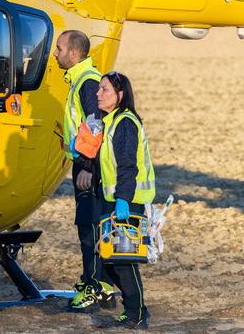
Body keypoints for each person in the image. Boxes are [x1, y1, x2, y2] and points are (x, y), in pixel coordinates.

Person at [53, 30, 115, 311]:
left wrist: (87, 166)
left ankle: (93, 287)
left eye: (60, 49)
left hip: (90, 167)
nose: (56, 54)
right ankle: (98, 283)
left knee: (89, 228)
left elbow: (95, 124)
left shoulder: (87, 82)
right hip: (86, 164)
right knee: (91, 226)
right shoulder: (82, 79)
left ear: (74, 54)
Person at [96, 71, 155, 329]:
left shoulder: (125, 124)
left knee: (124, 261)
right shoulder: (109, 121)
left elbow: (128, 166)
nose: (98, 93)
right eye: (99, 89)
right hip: (114, 199)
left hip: (128, 200)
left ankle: (136, 314)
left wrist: (122, 200)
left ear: (120, 96)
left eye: (105, 90)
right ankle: (135, 307)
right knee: (108, 260)